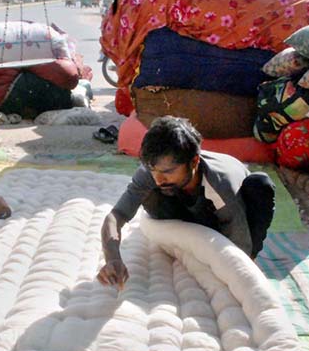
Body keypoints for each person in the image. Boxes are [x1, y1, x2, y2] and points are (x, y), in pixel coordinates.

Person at [97, 116, 276, 289]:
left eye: (169, 171)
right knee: (151, 192)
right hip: (188, 210)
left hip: (225, 213)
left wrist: (243, 269)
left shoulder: (220, 184)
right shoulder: (151, 174)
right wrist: (113, 258)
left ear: (194, 162)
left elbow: (238, 249)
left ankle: (254, 255)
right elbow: (116, 216)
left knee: (260, 185)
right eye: (153, 170)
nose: (159, 179)